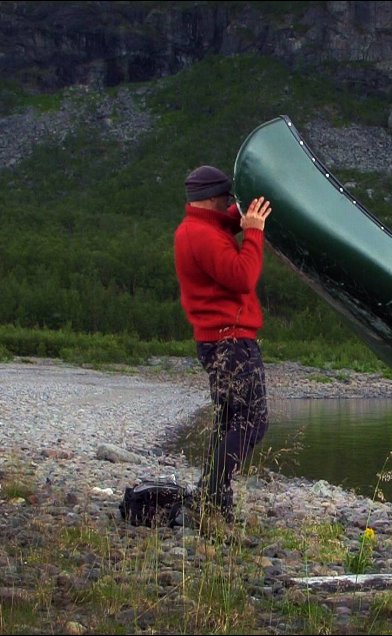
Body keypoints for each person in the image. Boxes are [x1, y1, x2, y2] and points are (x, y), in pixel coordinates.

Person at [173, 164, 273, 520]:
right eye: (227, 198)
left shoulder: (197, 227)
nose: (228, 204)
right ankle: (213, 493)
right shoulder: (201, 236)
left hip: (217, 343)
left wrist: (249, 211)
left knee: (231, 421)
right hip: (231, 343)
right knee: (252, 420)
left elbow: (226, 223)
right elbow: (242, 276)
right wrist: (255, 234)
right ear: (214, 197)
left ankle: (213, 496)